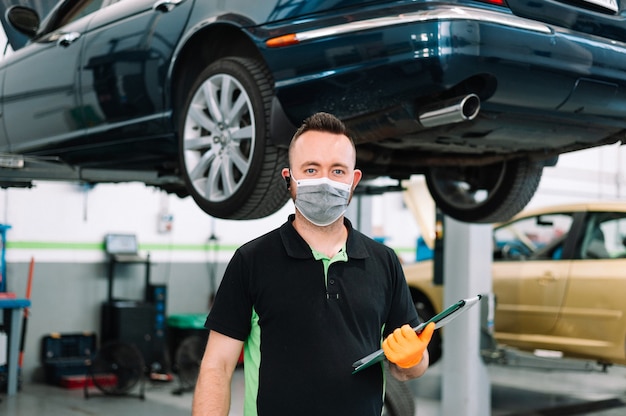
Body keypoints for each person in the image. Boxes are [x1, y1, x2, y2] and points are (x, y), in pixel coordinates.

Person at [192, 112, 435, 416]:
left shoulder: (384, 262)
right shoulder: (251, 261)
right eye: (311, 169)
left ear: (353, 180)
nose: (324, 182)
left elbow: (407, 368)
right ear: (288, 179)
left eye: (337, 170)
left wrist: (413, 359)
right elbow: (217, 366)